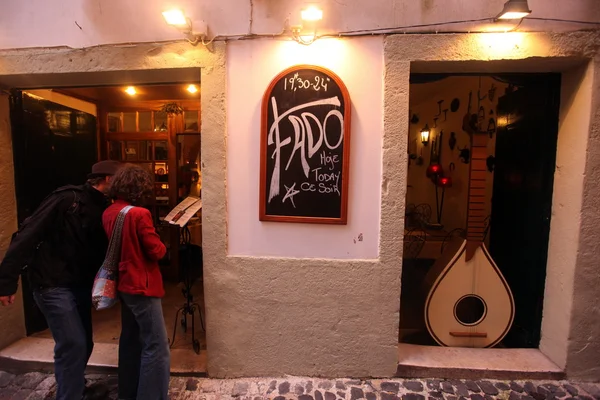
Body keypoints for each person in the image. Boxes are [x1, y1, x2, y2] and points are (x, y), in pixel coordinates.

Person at [0, 160, 122, 400]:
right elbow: (27, 235)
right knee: (73, 344)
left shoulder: (106, 206)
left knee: (83, 344)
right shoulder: (67, 199)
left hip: (78, 284)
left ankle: (75, 388)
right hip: (52, 284)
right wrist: (6, 281)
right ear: (107, 179)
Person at [103, 164, 170, 400]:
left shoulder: (110, 211)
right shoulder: (139, 214)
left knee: (131, 341)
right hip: (142, 285)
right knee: (157, 347)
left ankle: (128, 392)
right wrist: (163, 243)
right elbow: (156, 251)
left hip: (124, 284)